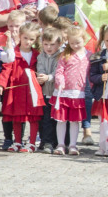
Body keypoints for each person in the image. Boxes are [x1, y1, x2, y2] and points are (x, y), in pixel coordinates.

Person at [0, 22, 45, 152]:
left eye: (31, 39)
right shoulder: (14, 53)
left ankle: (32, 143)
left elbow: (42, 69)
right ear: (20, 36)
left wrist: (43, 78)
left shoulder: (38, 55)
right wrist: (1, 85)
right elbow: (6, 69)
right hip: (16, 89)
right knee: (17, 118)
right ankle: (17, 142)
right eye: (25, 38)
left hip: (32, 91)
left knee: (33, 118)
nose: (28, 42)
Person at [51, 25, 91, 156]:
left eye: (78, 42)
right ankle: (61, 144)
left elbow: (91, 73)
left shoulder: (89, 55)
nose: (75, 45)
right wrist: (60, 81)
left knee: (74, 121)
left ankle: (73, 145)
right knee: (61, 120)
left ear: (84, 39)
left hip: (78, 93)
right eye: (72, 43)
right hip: (63, 92)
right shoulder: (65, 55)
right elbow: (59, 71)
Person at [36, 28, 62, 152]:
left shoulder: (61, 56)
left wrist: (48, 77)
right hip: (45, 92)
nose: (49, 47)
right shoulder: (41, 56)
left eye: (52, 44)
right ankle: (46, 141)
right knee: (45, 118)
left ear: (59, 44)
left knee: (56, 119)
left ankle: (58, 142)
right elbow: (40, 68)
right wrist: (40, 76)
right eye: (46, 44)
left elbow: (59, 72)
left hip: (57, 93)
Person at [87, 24, 108, 156]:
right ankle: (102, 146)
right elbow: (92, 76)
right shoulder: (98, 57)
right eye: (107, 40)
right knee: (103, 122)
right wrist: (101, 77)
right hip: (103, 96)